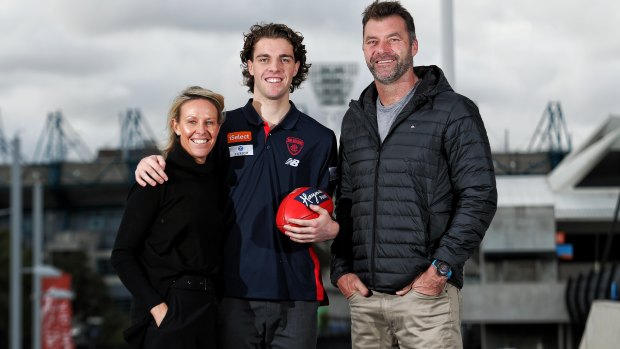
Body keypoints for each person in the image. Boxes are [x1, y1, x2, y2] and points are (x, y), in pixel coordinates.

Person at [134, 23, 339, 349]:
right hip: (231, 293)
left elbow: (331, 209)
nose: (275, 67)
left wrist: (332, 228)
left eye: (285, 59)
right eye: (264, 58)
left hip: (297, 294)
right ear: (250, 65)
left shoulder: (320, 138)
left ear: (296, 67)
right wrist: (153, 161)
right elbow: (187, 172)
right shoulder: (221, 127)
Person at [330, 1, 498, 348]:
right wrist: (340, 269)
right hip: (366, 302)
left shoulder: (454, 111)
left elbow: (479, 196)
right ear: (364, 48)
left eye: (393, 39)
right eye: (373, 41)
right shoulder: (355, 119)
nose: (382, 50)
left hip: (427, 301)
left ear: (414, 46)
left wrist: (441, 270)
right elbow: (345, 199)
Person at [110, 86, 226, 348]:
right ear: (176, 126)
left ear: (218, 128)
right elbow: (121, 255)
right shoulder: (156, 178)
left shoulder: (221, 180)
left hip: (210, 310)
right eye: (192, 121)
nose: (201, 130)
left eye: (209, 122)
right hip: (170, 308)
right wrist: (158, 308)